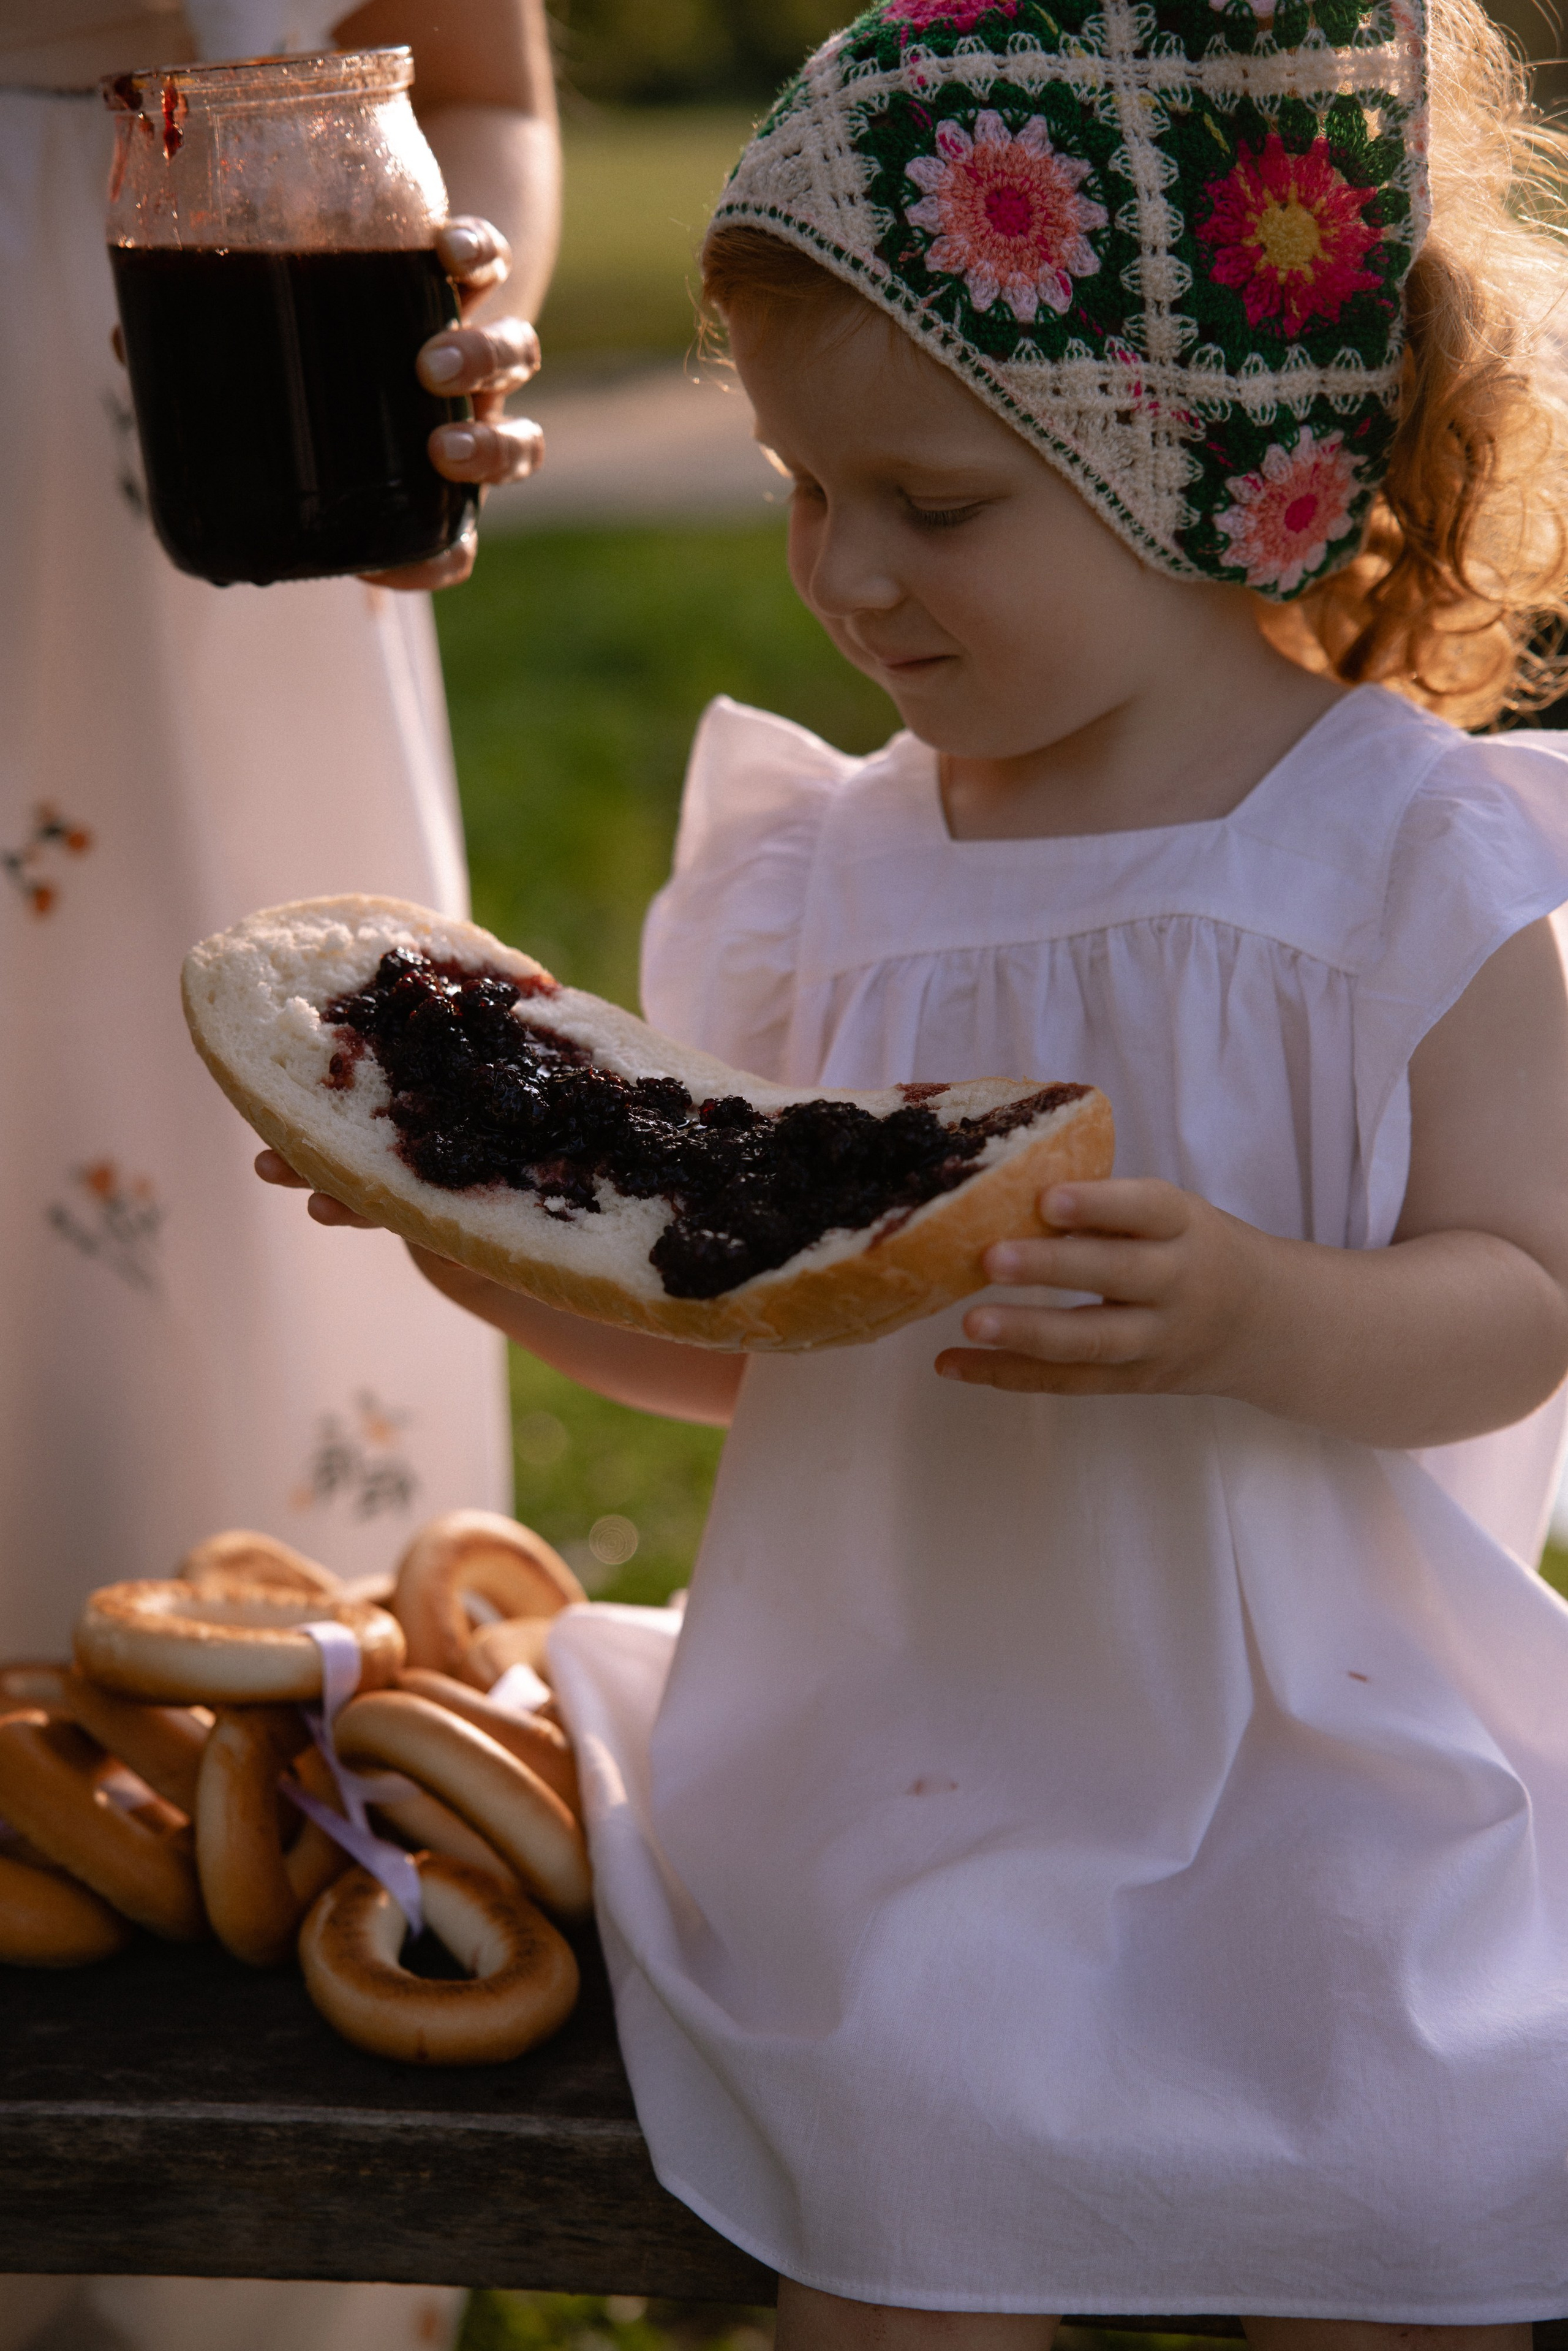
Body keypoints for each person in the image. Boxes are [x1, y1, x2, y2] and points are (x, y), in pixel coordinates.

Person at [263, 0, 1568, 2344]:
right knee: (911, 2231)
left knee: (1411, 2202)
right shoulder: (831, 880)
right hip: (922, 1764)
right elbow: (751, 1354)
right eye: (799, 487)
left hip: (1334, 1765)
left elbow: (1530, 1296)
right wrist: (465, 1238)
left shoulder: (1394, 858)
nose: (844, 574)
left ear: (1206, 469)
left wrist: (1269, 1315)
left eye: (935, 506)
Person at [1, 4, 555, 2348]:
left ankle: (252, 2245)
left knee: (242, 1257)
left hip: (243, 506)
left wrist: (461, 313)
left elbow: (474, 81)